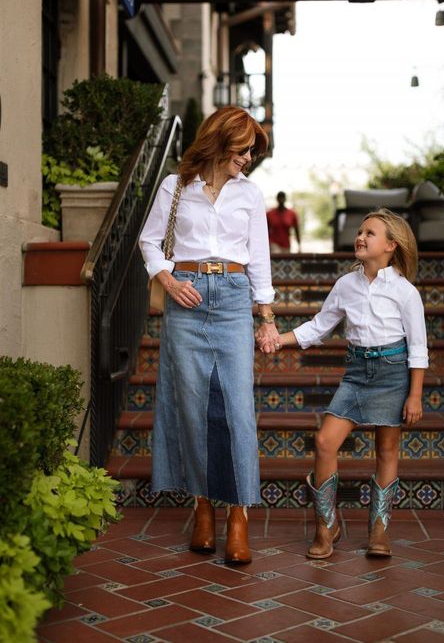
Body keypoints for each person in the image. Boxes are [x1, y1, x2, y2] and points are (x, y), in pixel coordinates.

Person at [139, 106, 280, 565]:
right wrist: (168, 280)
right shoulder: (175, 186)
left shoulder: (250, 194)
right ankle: (202, 510)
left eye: (253, 152)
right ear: (221, 142)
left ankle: (238, 515)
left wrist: (267, 316)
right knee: (192, 406)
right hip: (188, 296)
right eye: (244, 150)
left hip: (234, 297)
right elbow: (148, 240)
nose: (249, 159)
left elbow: (258, 256)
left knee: (237, 409)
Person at [257, 208, 428, 558]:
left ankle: (379, 531)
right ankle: (326, 526)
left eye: (371, 233)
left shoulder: (405, 291)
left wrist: (415, 395)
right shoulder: (345, 285)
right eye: (361, 231)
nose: (361, 237)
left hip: (394, 372)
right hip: (356, 374)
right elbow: (319, 327)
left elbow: (419, 348)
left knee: (386, 451)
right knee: (324, 441)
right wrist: (280, 340)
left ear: (391, 246)